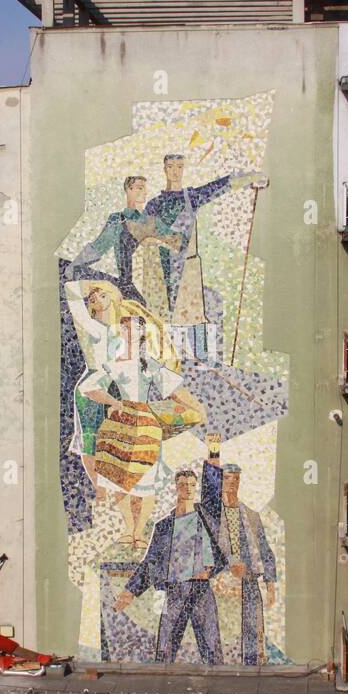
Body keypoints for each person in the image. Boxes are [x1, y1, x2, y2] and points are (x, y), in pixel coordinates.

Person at [65, 279, 205, 550]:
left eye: (102, 295)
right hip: (111, 410)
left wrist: (196, 407)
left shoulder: (141, 356)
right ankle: (126, 524)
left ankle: (138, 531)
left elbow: (171, 385)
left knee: (144, 476)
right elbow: (90, 387)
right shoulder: (99, 339)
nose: (95, 299)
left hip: (137, 415)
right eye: (93, 297)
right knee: (111, 470)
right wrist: (110, 402)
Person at [142, 154, 267, 362]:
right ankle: (163, 363)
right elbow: (144, 235)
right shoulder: (155, 204)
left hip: (188, 268)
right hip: (162, 270)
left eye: (179, 166)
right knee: (164, 317)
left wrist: (250, 178)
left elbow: (221, 185)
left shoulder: (192, 197)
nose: (175, 171)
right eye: (171, 166)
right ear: (164, 169)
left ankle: (204, 363)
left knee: (199, 313)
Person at [114, 470, 226, 664]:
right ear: (176, 487)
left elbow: (214, 489)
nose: (188, 488)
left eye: (192, 484)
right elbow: (150, 562)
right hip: (175, 589)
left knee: (211, 647)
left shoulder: (206, 518)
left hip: (202, 590)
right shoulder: (164, 526)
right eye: (183, 484)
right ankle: (159, 683)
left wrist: (213, 453)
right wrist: (129, 591)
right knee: (165, 648)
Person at [201, 432, 277, 666]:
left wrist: (271, 585)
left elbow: (265, 551)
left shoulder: (251, 516)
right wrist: (214, 451)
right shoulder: (213, 513)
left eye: (235, 479)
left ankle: (253, 663)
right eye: (227, 479)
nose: (231, 483)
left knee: (253, 626)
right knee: (224, 627)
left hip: (250, 579)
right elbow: (208, 487)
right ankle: (222, 666)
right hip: (221, 579)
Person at [71, 176, 172, 306]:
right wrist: (76, 264)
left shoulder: (153, 221)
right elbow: (98, 247)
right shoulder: (117, 219)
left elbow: (176, 241)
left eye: (145, 189)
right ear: (128, 190)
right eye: (139, 188)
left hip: (155, 286)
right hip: (127, 284)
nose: (145, 192)